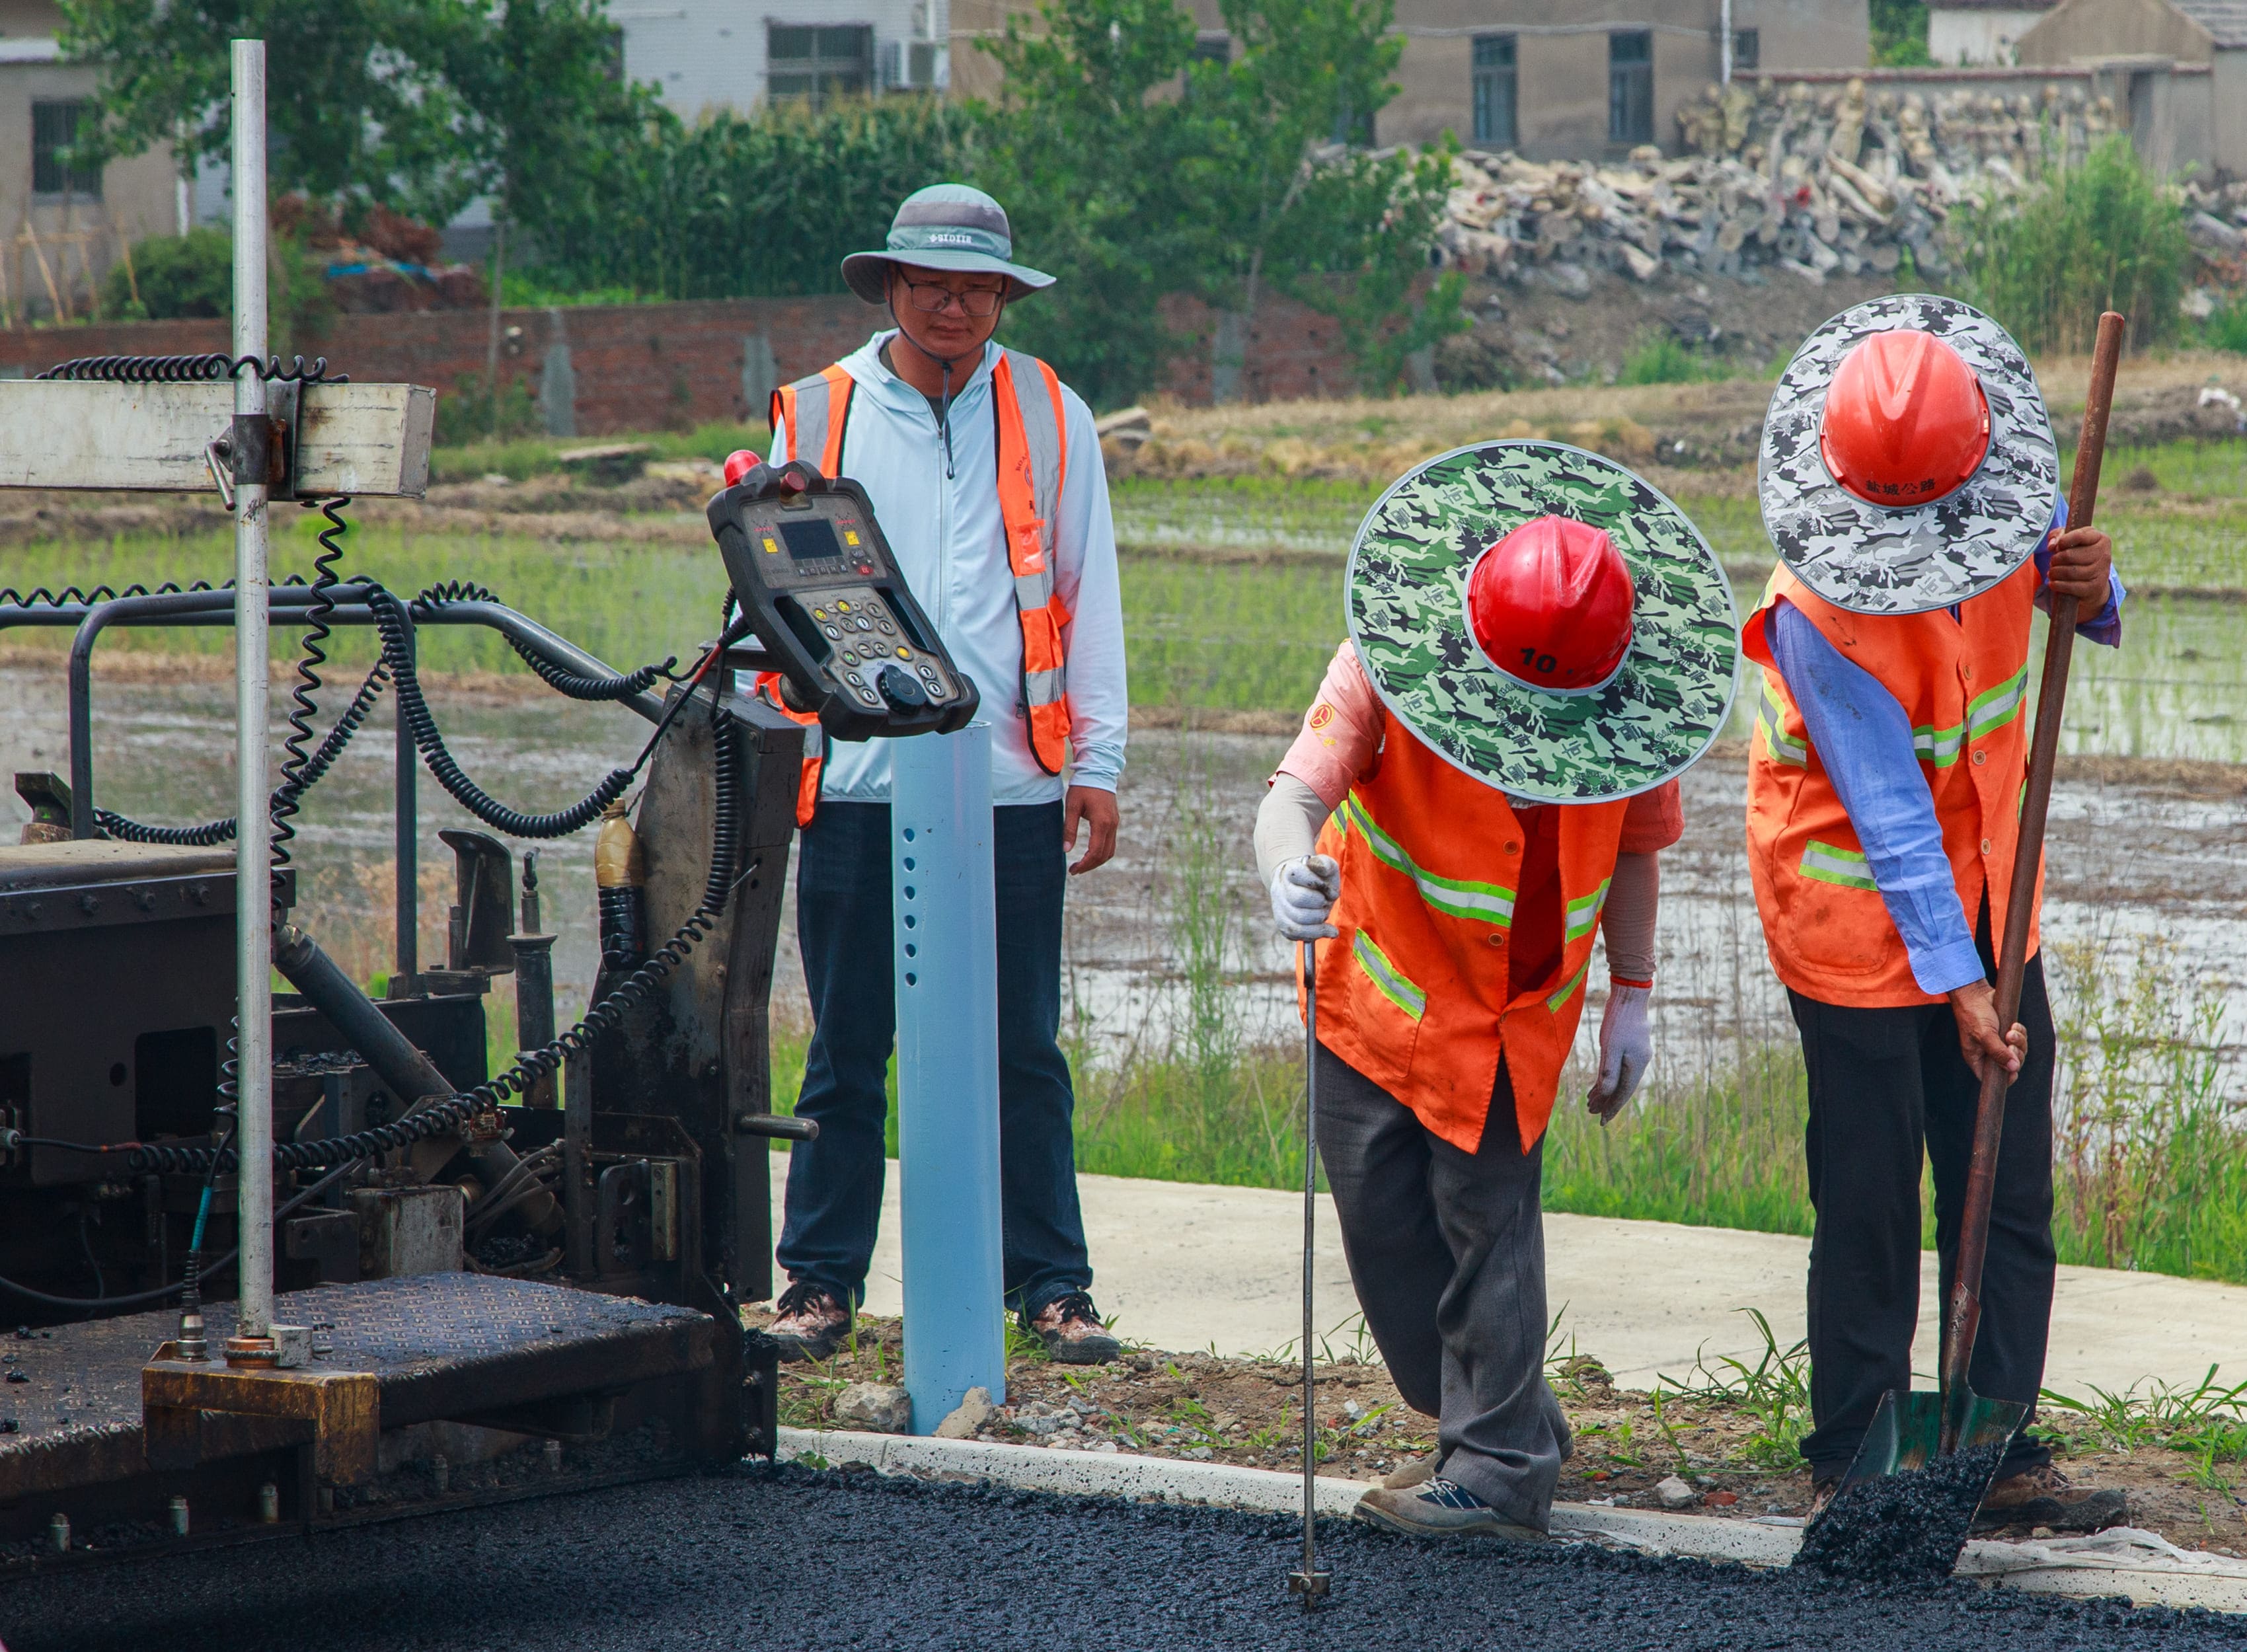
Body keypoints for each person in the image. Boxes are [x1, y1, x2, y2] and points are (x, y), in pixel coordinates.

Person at [1255, 442, 1741, 1540]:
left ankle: (1502, 1471)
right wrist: (1286, 869)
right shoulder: (1386, 662)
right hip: (1374, 1004)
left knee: (1491, 1235)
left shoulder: (1639, 715)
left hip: (1514, 1020)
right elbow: (1293, 796)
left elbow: (1635, 852)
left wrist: (1633, 995)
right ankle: (1499, 1417)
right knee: (1386, 1239)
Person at [1749, 295, 2127, 1530]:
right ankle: (1854, 1456)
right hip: (1852, 924)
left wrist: (2094, 585)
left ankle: (1993, 1449)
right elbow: (1890, 816)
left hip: (1993, 902)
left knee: (2007, 1184)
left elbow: (2083, 608)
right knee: (1869, 1197)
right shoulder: (1814, 609)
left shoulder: (2016, 502)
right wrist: (1957, 984)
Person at [758, 184, 1127, 1365]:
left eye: (976, 288)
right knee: (847, 1045)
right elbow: (766, 593)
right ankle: (818, 1285)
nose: (952, 306)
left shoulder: (1054, 412)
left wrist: (1096, 763)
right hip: (860, 783)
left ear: (1004, 296)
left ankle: (1053, 1289)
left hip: (1011, 783)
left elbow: (1089, 591)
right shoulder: (819, 412)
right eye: (930, 284)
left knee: (1023, 1048)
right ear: (892, 287)